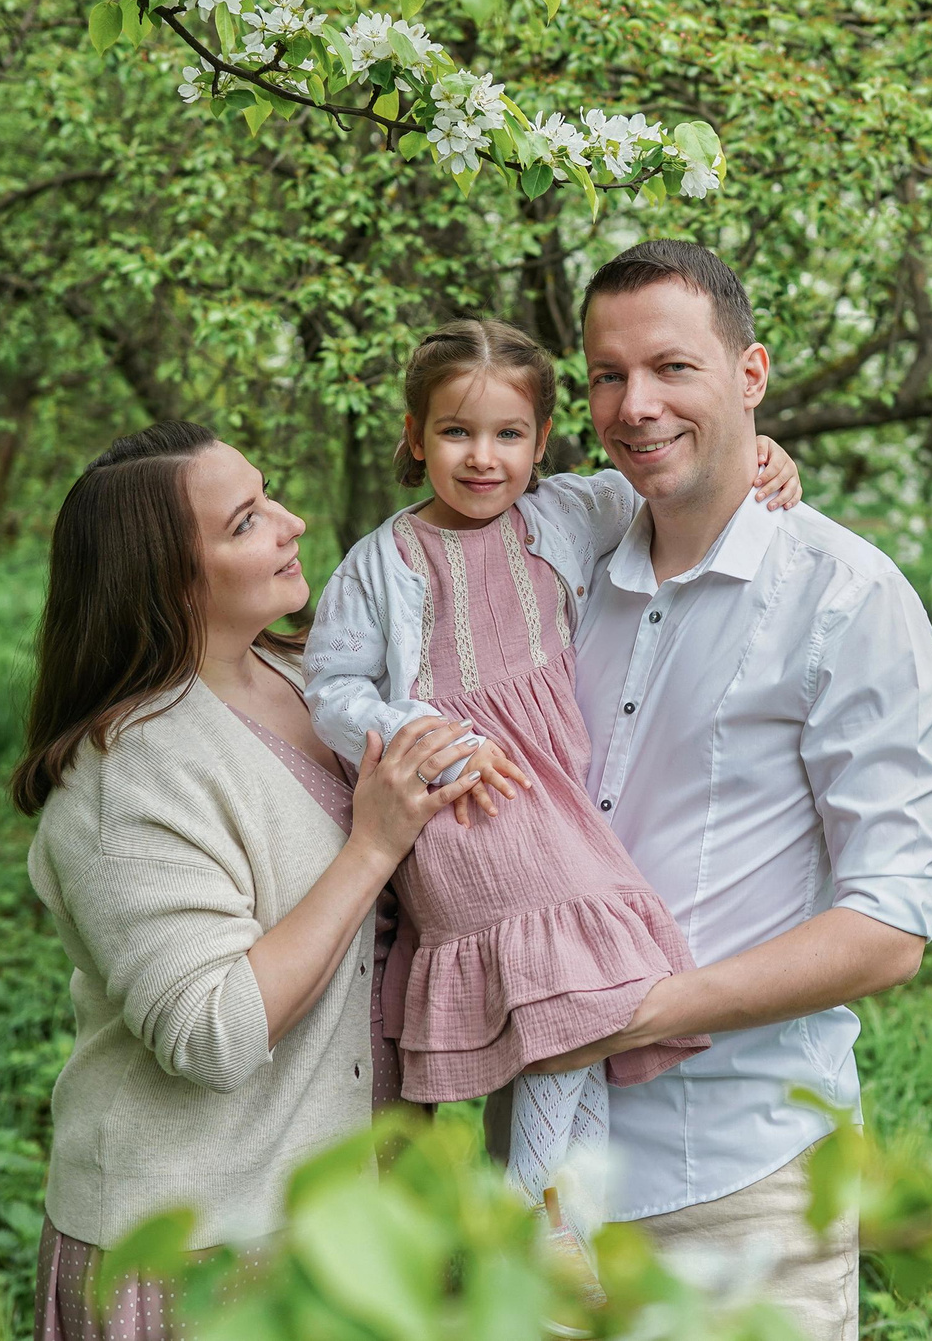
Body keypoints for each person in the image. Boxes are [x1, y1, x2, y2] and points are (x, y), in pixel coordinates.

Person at [523, 241, 932, 1341]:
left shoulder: (844, 597)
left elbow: (890, 923)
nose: (636, 405)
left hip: (741, 1176)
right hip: (542, 1177)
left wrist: (632, 1016)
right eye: (608, 376)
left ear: (750, 374)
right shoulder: (558, 574)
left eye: (673, 368)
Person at [301, 318, 802, 1248]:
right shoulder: (383, 561)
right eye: (455, 433)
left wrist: (759, 451)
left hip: (556, 798)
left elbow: (683, 477)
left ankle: (566, 1227)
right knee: (574, 976)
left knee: (581, 998)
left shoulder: (572, 512)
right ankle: (536, 1217)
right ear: (415, 438)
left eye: (508, 436)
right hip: (466, 801)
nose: (483, 458)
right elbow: (330, 687)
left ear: (541, 441)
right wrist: (423, 733)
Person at [13, 421, 518, 1341]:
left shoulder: (312, 674)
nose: (289, 522)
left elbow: (512, 581)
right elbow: (214, 1032)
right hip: (207, 1249)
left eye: (268, 495)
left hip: (362, 1212)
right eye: (246, 521)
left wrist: (745, 474)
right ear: (170, 579)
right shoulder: (126, 775)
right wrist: (371, 847)